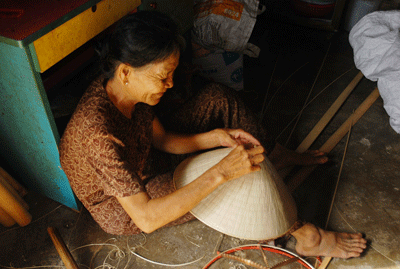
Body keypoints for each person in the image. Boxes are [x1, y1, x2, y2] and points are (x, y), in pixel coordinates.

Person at [59, 11, 366, 259]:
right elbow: (146, 219)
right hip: (125, 206)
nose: (169, 84)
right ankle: (303, 235)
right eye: (162, 76)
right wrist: (220, 171)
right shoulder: (98, 136)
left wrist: (215, 137)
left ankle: (276, 154)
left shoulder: (125, 90)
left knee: (218, 99)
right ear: (126, 72)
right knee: (230, 177)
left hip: (143, 157)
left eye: (171, 74)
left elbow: (161, 139)